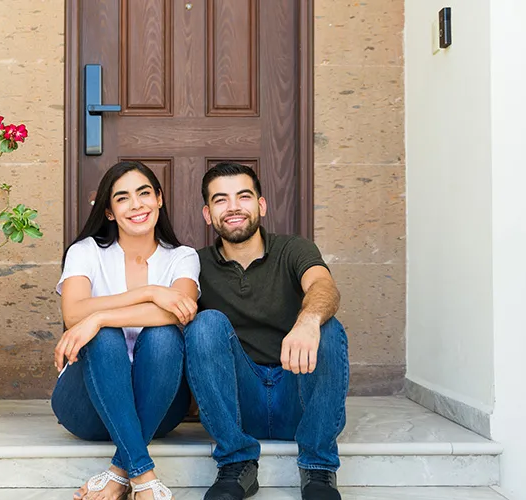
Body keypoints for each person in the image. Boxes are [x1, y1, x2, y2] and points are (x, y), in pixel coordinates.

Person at [184, 163, 349, 500]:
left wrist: (307, 321)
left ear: (261, 205)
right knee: (205, 323)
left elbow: (323, 286)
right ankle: (236, 463)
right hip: (240, 407)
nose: (233, 207)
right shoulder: (193, 264)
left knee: (327, 325)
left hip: (298, 397)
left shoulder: (293, 249)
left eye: (243, 197)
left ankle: (318, 468)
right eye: (220, 200)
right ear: (207, 213)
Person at [51, 161, 200, 500]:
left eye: (144, 193)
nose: (136, 205)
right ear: (109, 211)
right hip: (85, 407)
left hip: (159, 407)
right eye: (123, 198)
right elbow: (74, 312)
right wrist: (150, 293)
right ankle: (144, 477)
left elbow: (182, 312)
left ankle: (123, 471)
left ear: (159, 200)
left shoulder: (182, 257)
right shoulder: (85, 252)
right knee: (103, 338)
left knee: (162, 336)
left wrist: (100, 316)